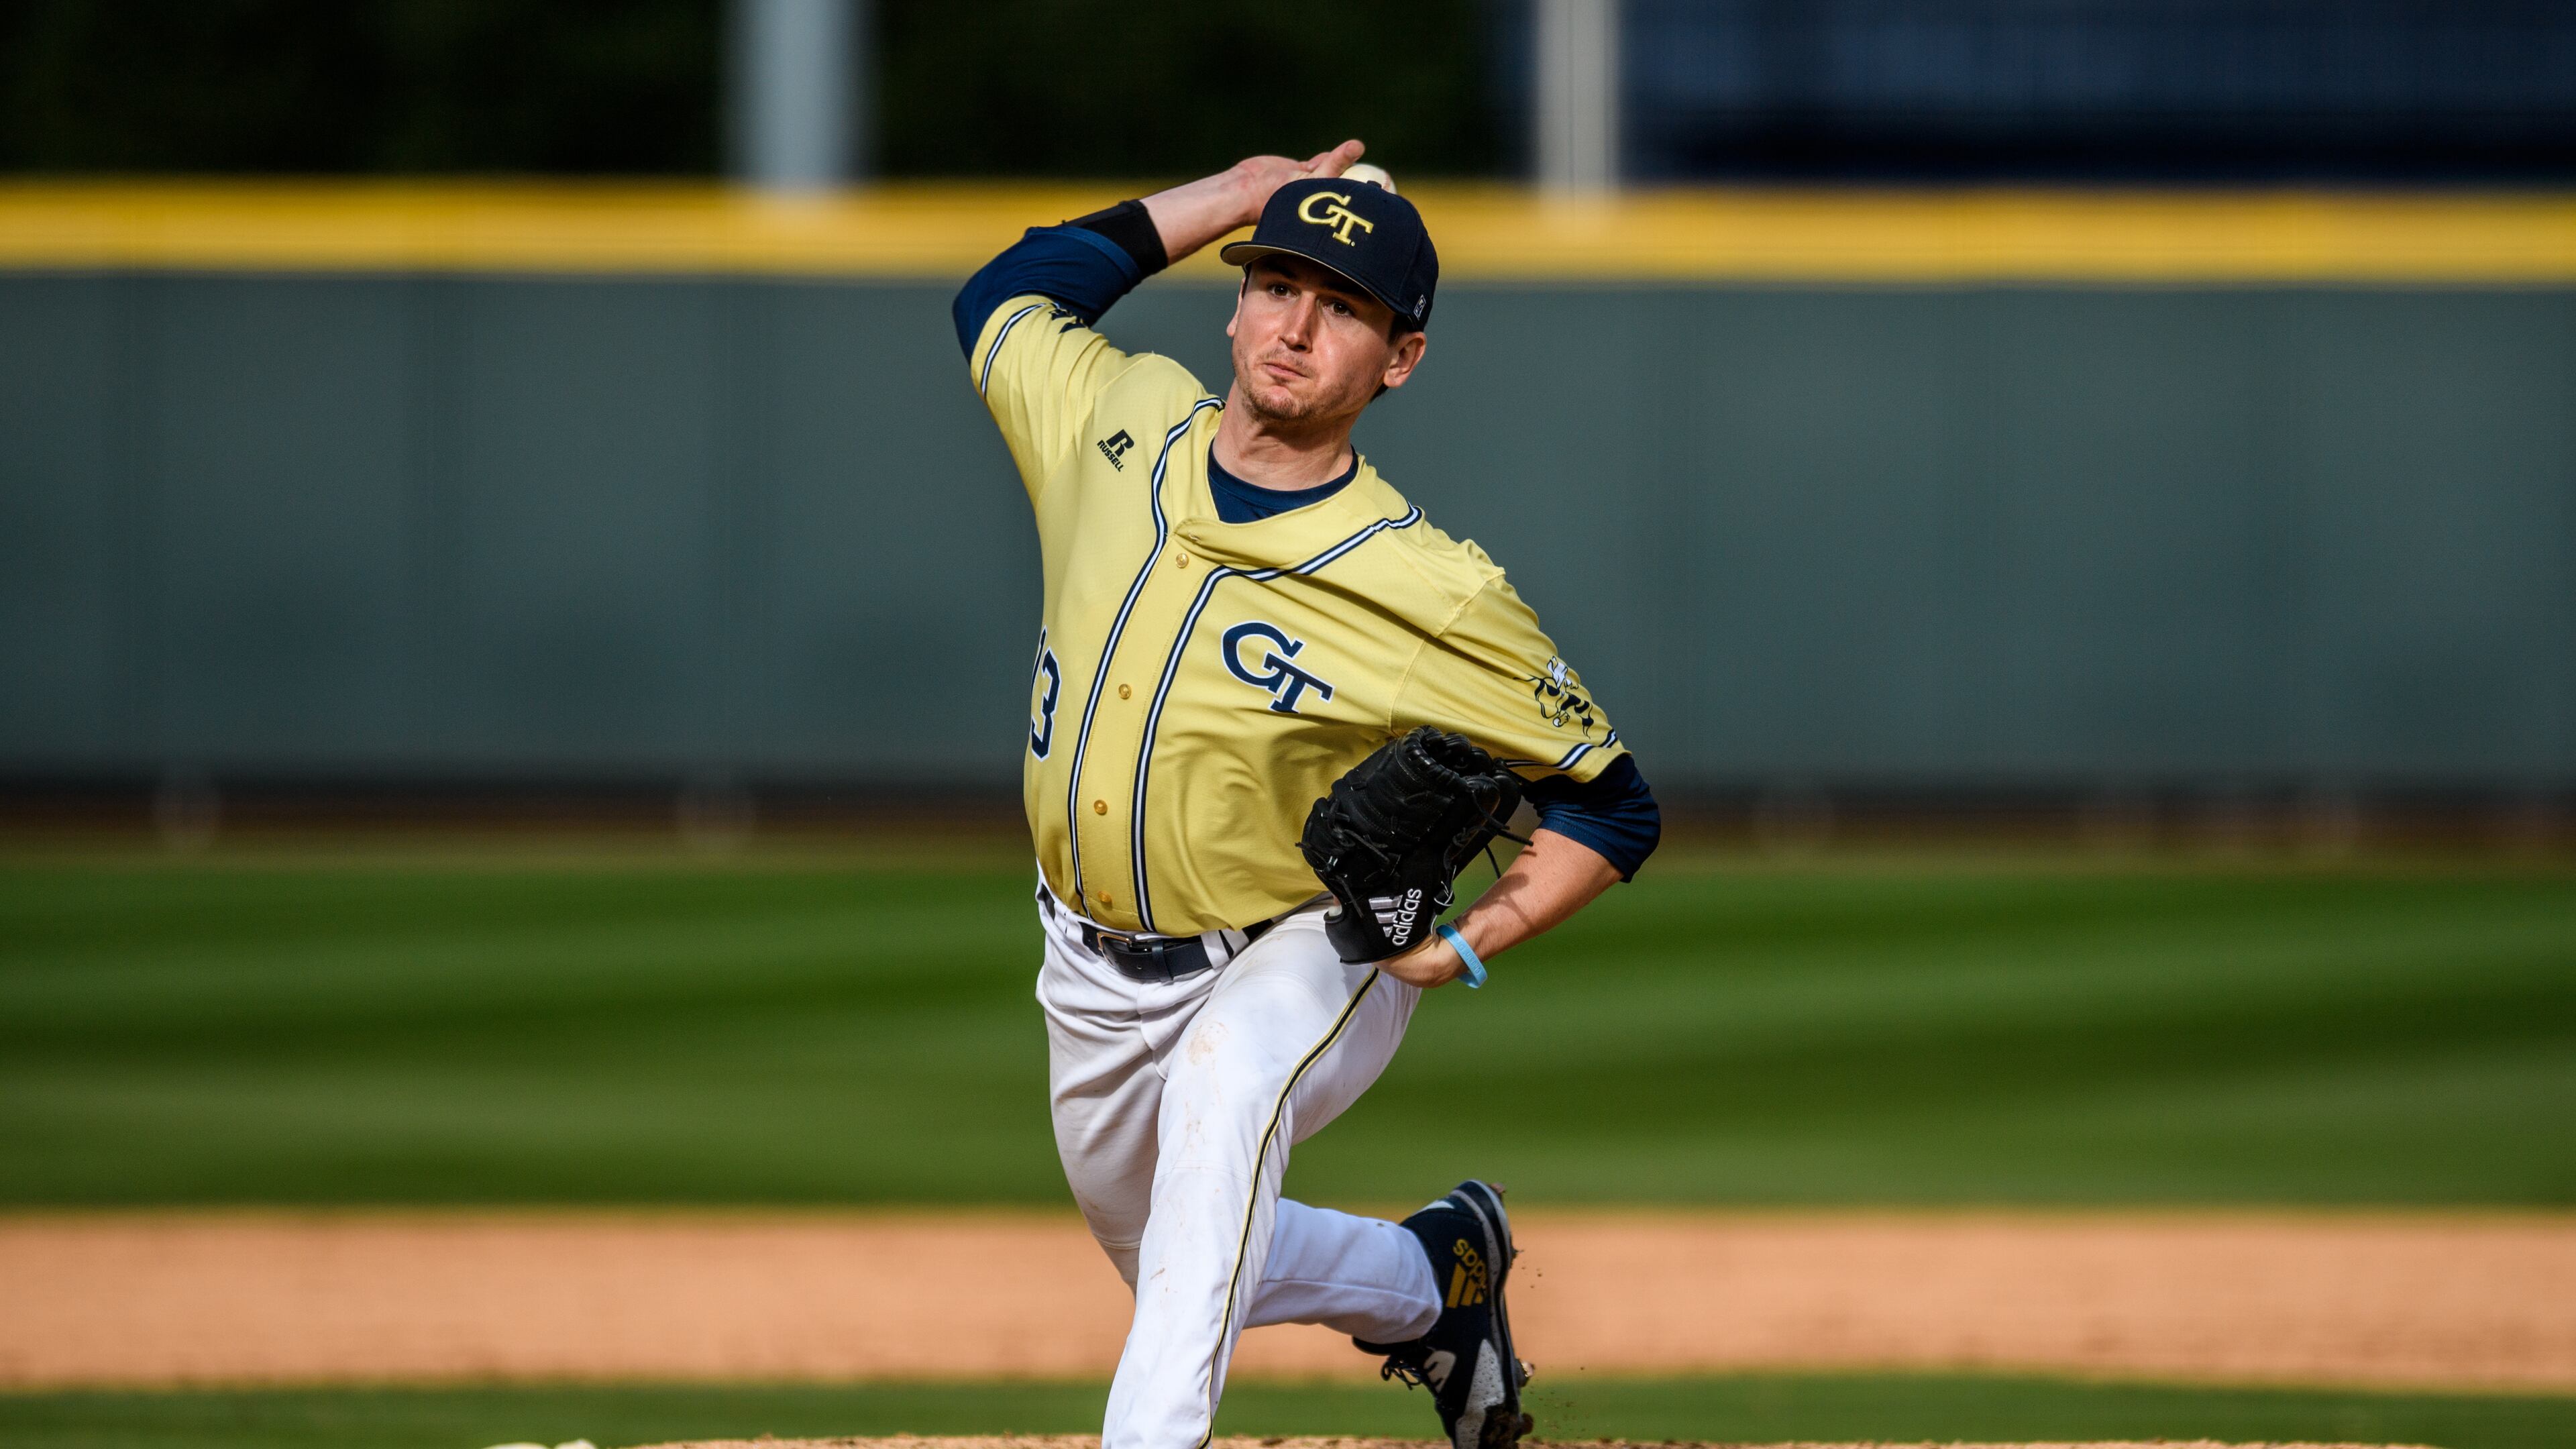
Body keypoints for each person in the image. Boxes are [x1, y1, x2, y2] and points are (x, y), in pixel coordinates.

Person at [951, 140, 1660, 1449]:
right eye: (1277, 281)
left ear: (1399, 360)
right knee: (1177, 1247)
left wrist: (1465, 944)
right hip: (1087, 960)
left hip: (1305, 944)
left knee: (1225, 1104)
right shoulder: (1117, 419)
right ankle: (1434, 1282)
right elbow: (1001, 298)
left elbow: (1612, 804)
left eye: (1344, 305)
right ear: (1234, 301)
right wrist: (1228, 196)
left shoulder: (1429, 587)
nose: (1297, 322)